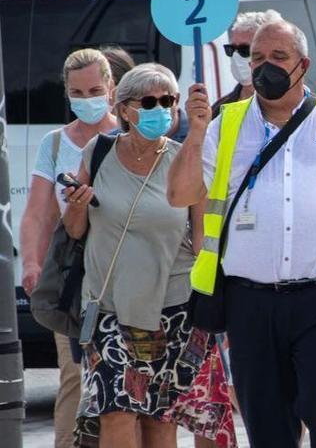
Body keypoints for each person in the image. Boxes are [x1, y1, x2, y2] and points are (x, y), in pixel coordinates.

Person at [167, 18, 316, 448]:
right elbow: (180, 195)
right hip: (249, 302)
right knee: (267, 420)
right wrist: (195, 134)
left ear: (303, 65)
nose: (264, 66)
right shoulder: (222, 125)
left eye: (278, 57)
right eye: (257, 58)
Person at [60, 63, 206, 448]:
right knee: (116, 413)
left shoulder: (185, 158)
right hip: (108, 306)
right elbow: (76, 229)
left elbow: (204, 240)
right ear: (124, 109)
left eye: (168, 101)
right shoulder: (100, 151)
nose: (161, 108)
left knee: (160, 421)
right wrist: (76, 204)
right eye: (149, 101)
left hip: (171, 308)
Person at [19, 48, 118, 448]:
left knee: (125, 382)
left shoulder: (130, 137)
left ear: (111, 89)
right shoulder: (56, 143)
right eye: (77, 92)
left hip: (124, 274)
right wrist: (31, 262)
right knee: (75, 377)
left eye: (95, 89)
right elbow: (38, 213)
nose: (87, 98)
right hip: (75, 281)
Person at [211, 9, 283, 117]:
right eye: (231, 49)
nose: (236, 56)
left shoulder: (299, 105)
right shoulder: (219, 110)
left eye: (244, 50)